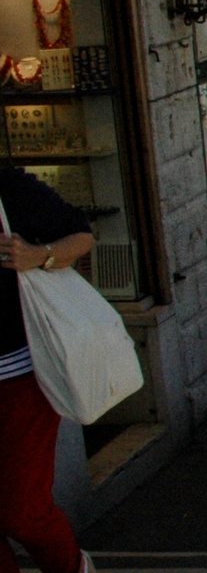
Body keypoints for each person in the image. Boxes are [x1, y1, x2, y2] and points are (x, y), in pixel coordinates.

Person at [0, 167, 96, 573]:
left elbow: (82, 236)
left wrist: (40, 256)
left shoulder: (6, 187)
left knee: (22, 511)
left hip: (18, 374)